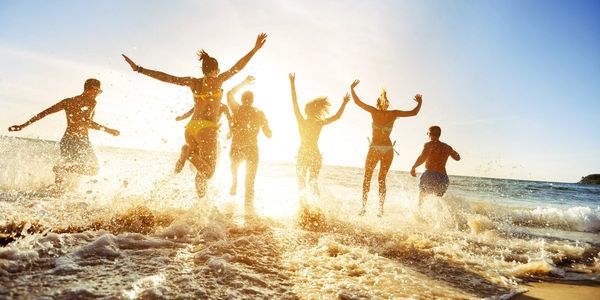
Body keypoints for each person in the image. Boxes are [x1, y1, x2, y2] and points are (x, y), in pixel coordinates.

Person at [122, 33, 267, 199]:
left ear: (203, 69)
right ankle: (188, 154)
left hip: (191, 129)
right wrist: (254, 49)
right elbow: (238, 66)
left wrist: (139, 69)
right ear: (215, 70)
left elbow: (168, 78)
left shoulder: (193, 82)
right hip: (207, 129)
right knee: (209, 171)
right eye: (218, 70)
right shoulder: (218, 80)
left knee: (201, 171)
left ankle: (200, 204)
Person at [7, 79, 120, 191]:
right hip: (79, 141)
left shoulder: (68, 101)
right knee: (93, 169)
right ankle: (59, 176)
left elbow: (45, 112)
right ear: (89, 89)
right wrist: (109, 130)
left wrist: (24, 125)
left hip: (68, 141)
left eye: (99, 92)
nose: (97, 94)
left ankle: (57, 191)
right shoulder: (90, 102)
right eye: (97, 91)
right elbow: (86, 122)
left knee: (69, 170)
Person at [350, 79, 422, 217]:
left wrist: (352, 88)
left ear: (378, 104)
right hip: (388, 150)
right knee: (382, 179)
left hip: (375, 148)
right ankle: (380, 210)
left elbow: (357, 102)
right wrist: (420, 103)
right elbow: (414, 113)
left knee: (367, 178)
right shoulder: (393, 114)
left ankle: (363, 209)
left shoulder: (373, 111)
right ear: (387, 104)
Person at [289, 73, 350, 197]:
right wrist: (344, 103)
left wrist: (292, 84)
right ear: (316, 111)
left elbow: (294, 102)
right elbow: (337, 116)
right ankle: (316, 208)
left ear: (306, 111)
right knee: (313, 182)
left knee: (301, 182)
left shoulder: (301, 121)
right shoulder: (319, 123)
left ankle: (303, 207)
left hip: (303, 153)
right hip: (315, 154)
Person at [226, 75, 272, 214]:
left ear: (242, 100)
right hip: (252, 148)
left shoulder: (237, 109)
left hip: (237, 147)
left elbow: (229, 93)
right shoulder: (259, 113)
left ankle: (234, 182)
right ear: (252, 101)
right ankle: (249, 212)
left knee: (234, 167)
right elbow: (268, 133)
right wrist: (267, 129)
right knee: (250, 181)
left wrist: (244, 83)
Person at [410, 125, 460, 208]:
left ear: (430, 134)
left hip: (430, 175)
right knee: (437, 202)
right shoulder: (447, 147)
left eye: (427, 133)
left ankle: (420, 216)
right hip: (443, 178)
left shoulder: (429, 145)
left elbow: (423, 157)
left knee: (421, 199)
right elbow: (457, 158)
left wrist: (413, 167)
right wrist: (449, 150)